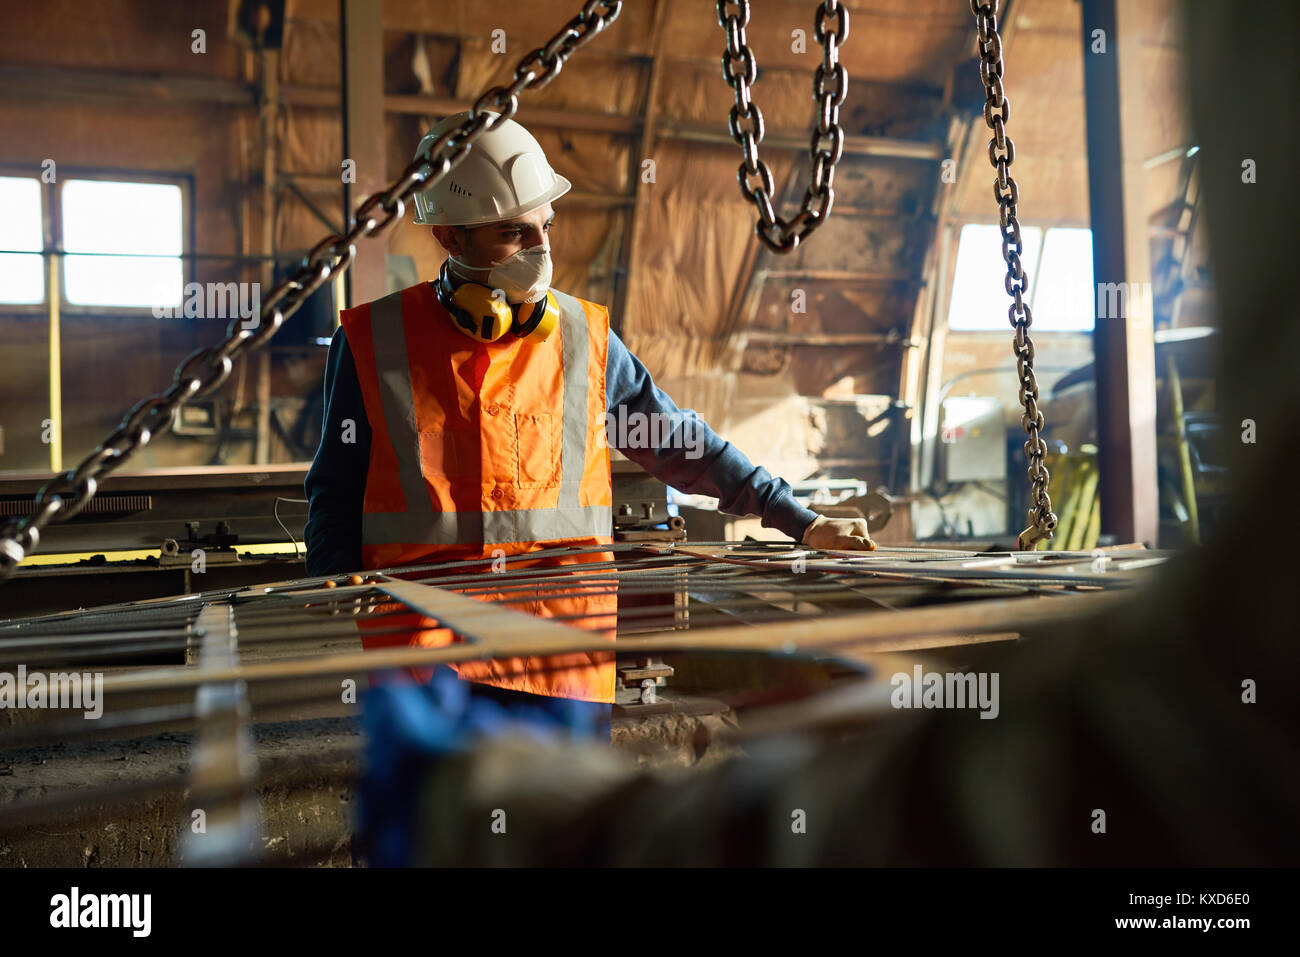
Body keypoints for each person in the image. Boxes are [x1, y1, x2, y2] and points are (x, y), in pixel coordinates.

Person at [304, 111, 875, 726]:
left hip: (558, 660)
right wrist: (336, 586)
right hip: (424, 665)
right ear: (449, 235)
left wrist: (800, 520)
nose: (540, 250)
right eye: (513, 234)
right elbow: (335, 492)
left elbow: (681, 443)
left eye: (545, 227)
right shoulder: (374, 340)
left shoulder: (583, 340)